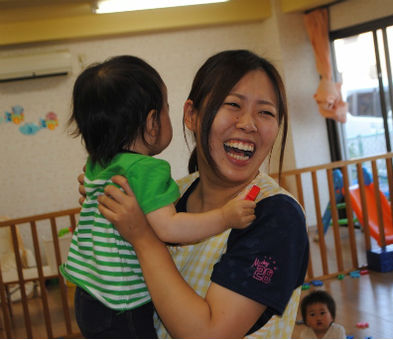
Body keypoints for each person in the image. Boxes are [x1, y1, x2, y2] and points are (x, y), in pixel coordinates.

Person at [87, 50, 310, 338]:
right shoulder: (171, 194)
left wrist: (143, 238)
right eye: (233, 104)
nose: (248, 123)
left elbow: (208, 334)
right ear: (191, 115)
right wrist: (104, 199)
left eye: (265, 112)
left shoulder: (274, 215)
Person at [62, 55, 256, 338]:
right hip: (123, 304)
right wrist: (225, 216)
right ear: (153, 122)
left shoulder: (98, 164)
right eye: (166, 108)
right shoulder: (147, 169)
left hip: (88, 294)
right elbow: (170, 228)